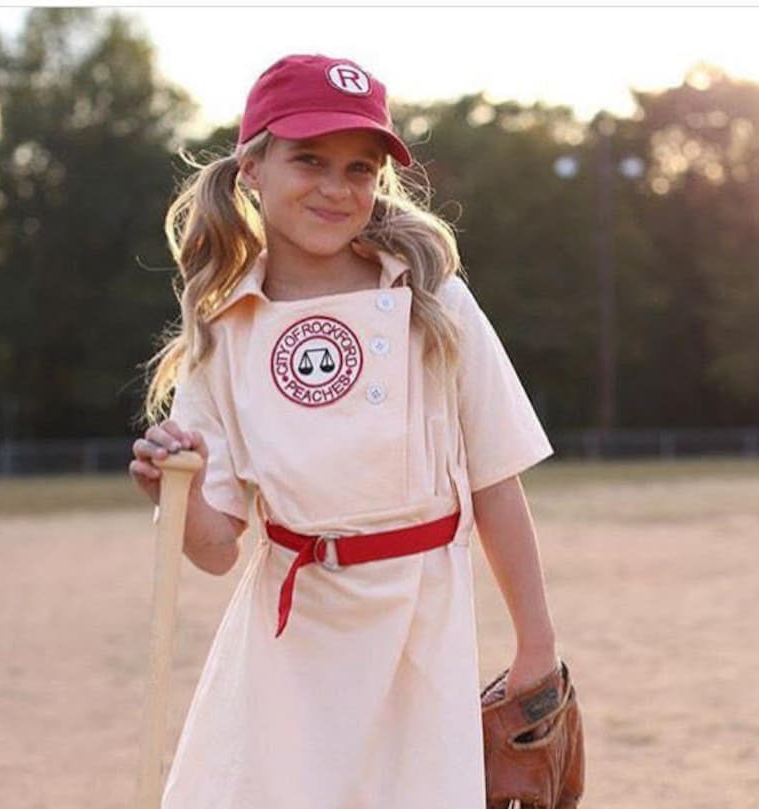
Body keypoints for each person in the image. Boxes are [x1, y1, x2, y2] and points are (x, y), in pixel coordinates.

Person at [128, 54, 563, 808]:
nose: (336, 187)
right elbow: (214, 546)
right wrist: (179, 490)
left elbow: (496, 479)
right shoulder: (224, 328)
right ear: (253, 168)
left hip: (420, 622)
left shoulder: (434, 302)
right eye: (309, 160)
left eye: (359, 168)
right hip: (289, 639)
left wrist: (537, 645)